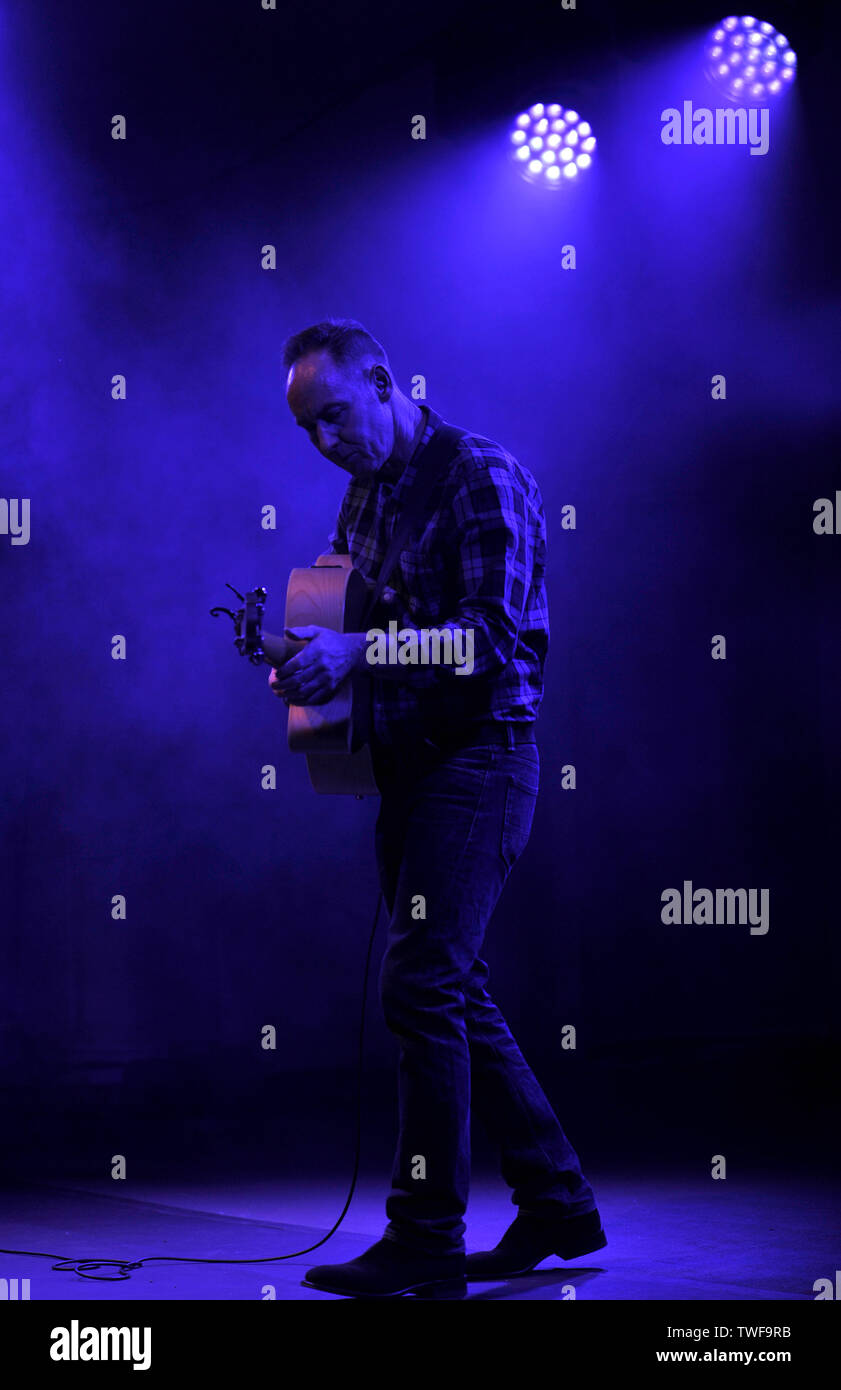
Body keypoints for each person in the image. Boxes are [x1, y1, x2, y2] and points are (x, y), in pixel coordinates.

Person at [269, 318, 606, 1298]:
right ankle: (556, 1201)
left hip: (481, 761)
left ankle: (426, 1234)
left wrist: (357, 656)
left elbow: (487, 643)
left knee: (420, 987)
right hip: (413, 767)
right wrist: (304, 653)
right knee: (452, 989)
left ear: (383, 381)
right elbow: (349, 615)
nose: (328, 443)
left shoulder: (480, 476)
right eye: (308, 432)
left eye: (335, 417)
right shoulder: (365, 495)